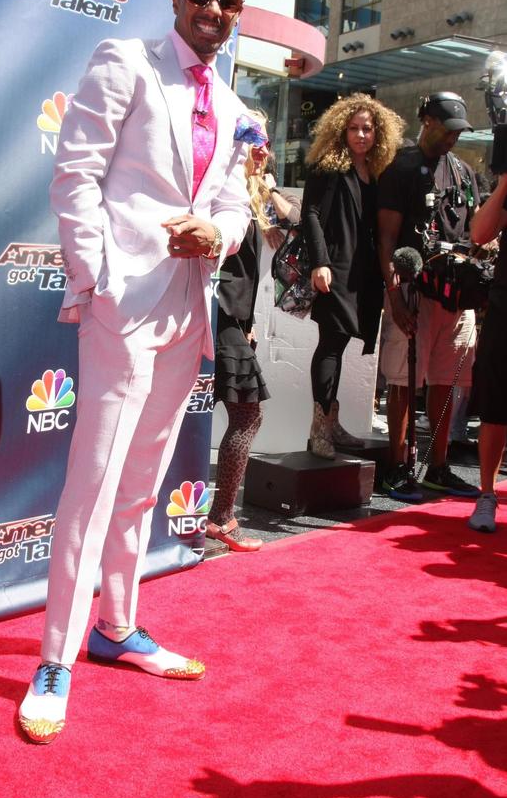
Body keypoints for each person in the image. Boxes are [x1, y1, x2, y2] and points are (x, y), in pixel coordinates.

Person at [18, 0, 251, 744]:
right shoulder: (127, 61)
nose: (215, 9)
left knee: (144, 481)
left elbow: (234, 203)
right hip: (125, 303)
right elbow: (75, 175)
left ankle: (117, 626)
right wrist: (101, 279)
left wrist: (215, 231)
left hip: (189, 306)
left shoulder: (230, 100)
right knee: (93, 481)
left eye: (229, 1)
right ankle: (55, 657)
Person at [378, 92, 482, 501]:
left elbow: (473, 232)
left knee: (447, 379)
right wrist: (395, 297)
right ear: (426, 120)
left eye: (458, 131)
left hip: (456, 297)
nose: (452, 138)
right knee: (404, 381)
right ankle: (397, 466)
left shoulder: (463, 173)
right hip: (412, 289)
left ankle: (438, 467)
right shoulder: (401, 169)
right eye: (446, 128)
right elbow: (386, 239)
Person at [206, 115, 300, 552]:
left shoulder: (251, 192)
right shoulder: (216, 183)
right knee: (246, 415)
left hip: (230, 315)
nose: (261, 149)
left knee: (245, 415)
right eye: (251, 139)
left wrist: (265, 183)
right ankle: (220, 517)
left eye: (264, 141)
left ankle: (218, 516)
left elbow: (293, 222)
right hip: (210, 310)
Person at [302, 93, 405, 459]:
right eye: (354, 128)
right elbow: (310, 214)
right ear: (340, 130)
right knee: (331, 343)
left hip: (363, 274)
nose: (361, 135)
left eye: (367, 128)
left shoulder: (376, 173)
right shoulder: (329, 167)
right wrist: (320, 262)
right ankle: (320, 428)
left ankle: (330, 421)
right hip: (336, 268)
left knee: (341, 344)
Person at [466, 170, 507, 532]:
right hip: (505, 307)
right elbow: (479, 233)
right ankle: (487, 495)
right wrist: (506, 183)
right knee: (495, 407)